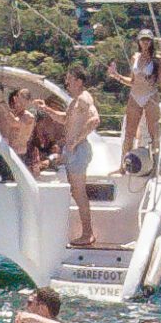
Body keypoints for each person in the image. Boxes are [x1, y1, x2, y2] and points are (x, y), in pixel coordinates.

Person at [110, 29, 161, 167]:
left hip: (150, 96)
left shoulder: (157, 59)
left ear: (151, 41)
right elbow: (132, 81)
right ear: (139, 41)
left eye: (147, 40)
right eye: (143, 40)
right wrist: (116, 75)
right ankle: (123, 166)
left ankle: (156, 166)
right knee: (129, 133)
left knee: (154, 134)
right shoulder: (135, 57)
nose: (145, 42)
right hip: (135, 96)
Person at [58, 67, 101, 246]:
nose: (67, 83)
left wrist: (75, 140)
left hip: (78, 151)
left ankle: (88, 233)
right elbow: (65, 120)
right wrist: (46, 110)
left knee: (79, 193)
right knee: (75, 192)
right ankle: (85, 232)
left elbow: (95, 119)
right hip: (72, 151)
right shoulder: (75, 101)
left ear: (79, 81)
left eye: (69, 79)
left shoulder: (84, 98)